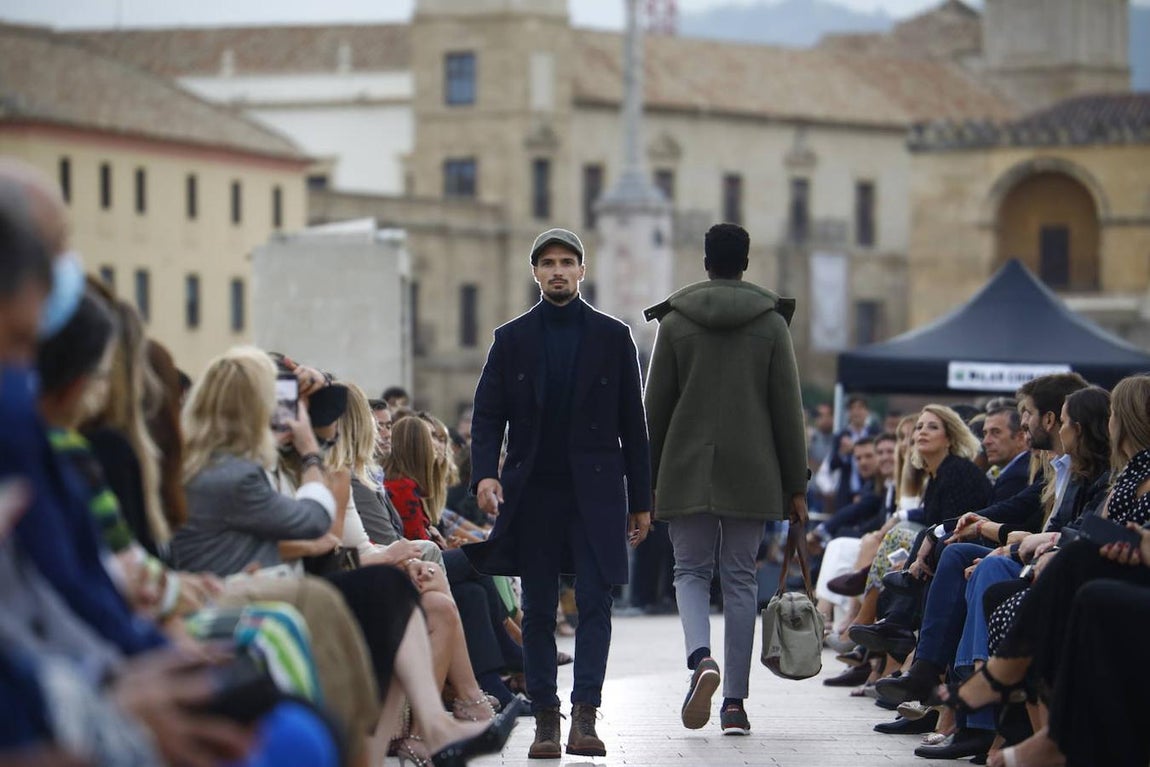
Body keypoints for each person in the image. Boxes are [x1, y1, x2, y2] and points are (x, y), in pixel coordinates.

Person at [467, 227, 652, 759]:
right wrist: (485, 474)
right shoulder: (511, 338)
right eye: (547, 262)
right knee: (541, 609)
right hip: (536, 491)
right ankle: (547, 717)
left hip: (596, 489)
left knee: (597, 601)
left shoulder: (614, 337)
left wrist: (642, 499)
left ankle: (585, 716)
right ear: (535, 273)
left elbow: (633, 425)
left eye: (566, 261)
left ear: (581, 270)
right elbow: (487, 414)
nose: (557, 270)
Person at [644, 222, 808, 735]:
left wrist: (644, 483)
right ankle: (734, 704)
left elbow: (657, 410)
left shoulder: (674, 323)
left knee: (689, 572)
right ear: (746, 262)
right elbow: (788, 411)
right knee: (739, 579)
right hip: (753, 470)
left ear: (705, 261)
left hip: (685, 466)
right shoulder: (772, 323)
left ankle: (700, 660)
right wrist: (796, 485)